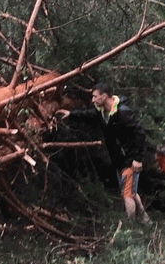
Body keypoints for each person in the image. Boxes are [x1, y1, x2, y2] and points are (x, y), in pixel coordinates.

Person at [62, 82, 151, 221]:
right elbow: (89, 115)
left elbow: (139, 134)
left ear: (104, 96)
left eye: (95, 96)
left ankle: (130, 227)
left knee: (127, 194)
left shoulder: (123, 112)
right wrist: (71, 114)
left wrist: (137, 159)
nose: (92, 100)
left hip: (130, 159)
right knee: (130, 191)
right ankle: (145, 220)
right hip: (118, 159)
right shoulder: (102, 112)